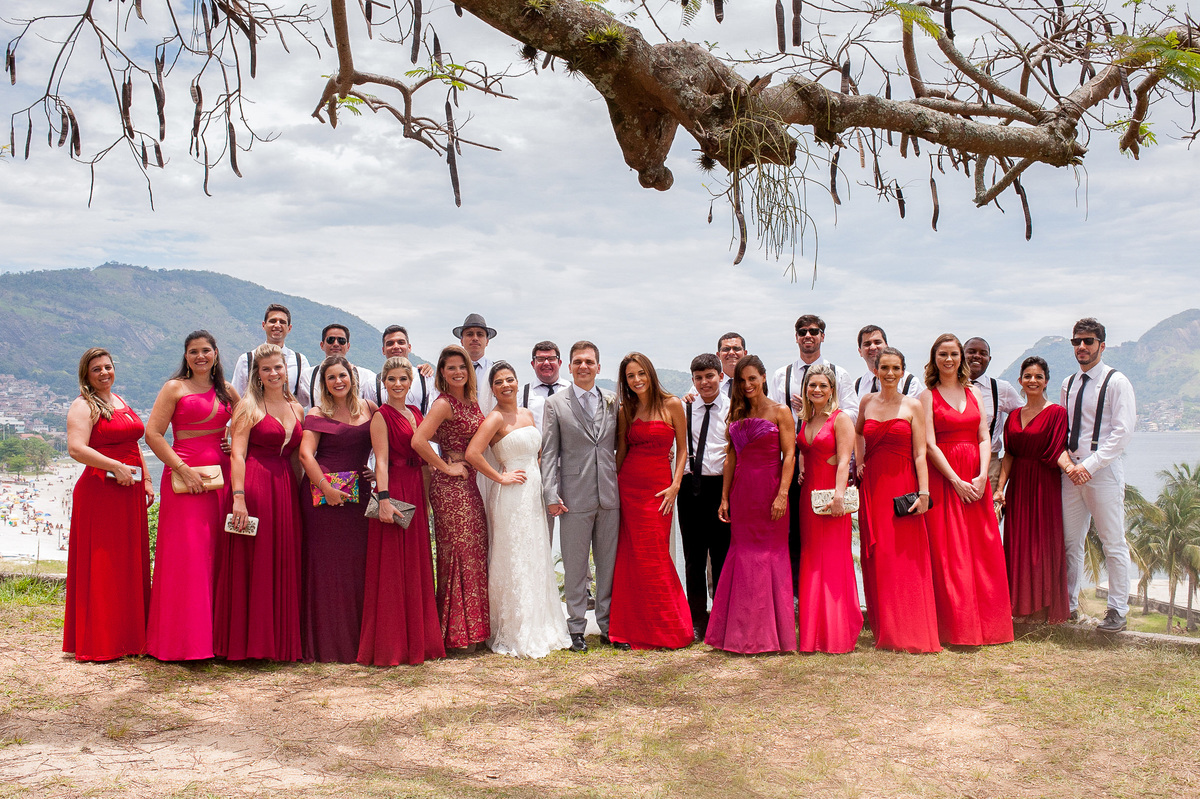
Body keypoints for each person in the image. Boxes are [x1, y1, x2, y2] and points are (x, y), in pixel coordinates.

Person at [143, 331, 239, 661]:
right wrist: (182, 469)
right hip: (184, 477)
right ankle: (180, 643)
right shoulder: (174, 388)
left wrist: (232, 443)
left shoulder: (228, 391)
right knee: (187, 558)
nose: (200, 356)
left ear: (216, 353)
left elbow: (248, 425)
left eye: (206, 350)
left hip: (222, 479)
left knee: (219, 554)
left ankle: (216, 642)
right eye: (193, 351)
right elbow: (152, 434)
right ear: (185, 356)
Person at [466, 362, 571, 658]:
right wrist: (500, 476)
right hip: (510, 495)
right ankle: (515, 627)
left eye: (509, 379)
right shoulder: (494, 418)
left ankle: (541, 623)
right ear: (493, 388)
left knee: (536, 552)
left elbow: (537, 453)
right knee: (513, 556)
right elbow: (473, 453)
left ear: (516, 381)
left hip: (533, 492)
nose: (505, 385)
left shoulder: (526, 413)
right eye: (498, 382)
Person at [920, 333, 1014, 647]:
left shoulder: (973, 392)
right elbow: (929, 444)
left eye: (954, 354)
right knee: (951, 551)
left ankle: (990, 627)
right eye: (942, 354)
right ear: (935, 359)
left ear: (961, 358)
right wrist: (954, 480)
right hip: (945, 476)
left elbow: (985, 437)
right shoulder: (926, 396)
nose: (949, 360)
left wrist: (982, 475)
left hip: (977, 476)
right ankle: (957, 629)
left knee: (983, 550)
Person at [215, 344, 306, 661]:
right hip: (252, 485)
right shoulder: (248, 407)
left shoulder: (297, 409)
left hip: (284, 488)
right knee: (253, 563)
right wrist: (238, 497)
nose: (273, 373)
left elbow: (298, 458)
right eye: (266, 369)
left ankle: (276, 643)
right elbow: (237, 454)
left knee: (280, 560)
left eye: (278, 367)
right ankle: (248, 644)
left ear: (286, 370)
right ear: (257, 373)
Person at [64, 348, 153, 662]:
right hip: (100, 491)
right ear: (86, 376)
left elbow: (133, 443)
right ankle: (102, 641)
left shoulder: (121, 401)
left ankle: (131, 637)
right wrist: (115, 466)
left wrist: (148, 480)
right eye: (96, 369)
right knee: (104, 565)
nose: (104, 373)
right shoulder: (83, 405)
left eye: (108, 367)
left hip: (128, 489)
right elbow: (76, 449)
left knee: (129, 561)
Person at [357, 357, 444, 666]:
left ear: (410, 383)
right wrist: (383, 499)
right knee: (393, 565)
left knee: (417, 563)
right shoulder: (381, 416)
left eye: (402, 379)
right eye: (391, 379)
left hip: (415, 489)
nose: (397, 384)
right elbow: (379, 460)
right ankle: (391, 644)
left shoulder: (417, 413)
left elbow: (425, 454)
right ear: (384, 382)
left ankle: (419, 641)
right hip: (394, 488)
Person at [707, 355, 797, 654]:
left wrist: (783, 494)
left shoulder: (780, 411)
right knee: (743, 556)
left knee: (769, 555)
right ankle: (739, 632)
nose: (747, 385)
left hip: (770, 491)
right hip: (742, 493)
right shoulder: (736, 412)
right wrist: (724, 496)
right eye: (742, 380)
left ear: (763, 377)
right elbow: (731, 457)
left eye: (752, 379)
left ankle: (770, 635)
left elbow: (790, 456)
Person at [855, 347, 941, 653]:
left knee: (904, 557)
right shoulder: (866, 401)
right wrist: (860, 460)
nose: (890, 373)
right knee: (878, 558)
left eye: (896, 368)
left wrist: (925, 493)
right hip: (873, 487)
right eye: (884, 368)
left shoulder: (913, 405)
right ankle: (885, 627)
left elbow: (921, 452)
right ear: (876, 370)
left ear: (903, 372)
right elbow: (858, 433)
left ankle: (909, 628)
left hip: (903, 487)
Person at [607, 352, 692, 650]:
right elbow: (620, 452)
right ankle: (630, 628)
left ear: (650, 374)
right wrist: (611, 488)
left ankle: (669, 627)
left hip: (659, 491)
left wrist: (675, 485)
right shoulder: (626, 409)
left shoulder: (672, 404)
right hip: (628, 488)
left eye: (641, 373)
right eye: (631, 376)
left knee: (654, 555)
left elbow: (683, 450)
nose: (637, 380)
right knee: (631, 557)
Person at [540, 341, 620, 652]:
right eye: (578, 362)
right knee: (575, 566)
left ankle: (608, 625)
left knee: (608, 565)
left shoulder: (613, 401)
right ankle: (575, 628)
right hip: (573, 496)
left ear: (599, 367)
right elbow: (549, 453)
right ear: (570, 367)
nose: (583, 366)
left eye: (589, 361)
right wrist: (550, 492)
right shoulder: (556, 404)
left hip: (610, 495)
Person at [297, 356, 377, 663]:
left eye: (342, 375)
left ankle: (359, 640)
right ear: (324, 384)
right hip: (323, 499)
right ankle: (327, 644)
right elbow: (306, 455)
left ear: (352, 377)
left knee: (357, 566)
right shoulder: (317, 413)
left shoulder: (370, 409)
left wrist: (375, 472)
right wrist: (325, 488)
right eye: (331, 378)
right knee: (327, 568)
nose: (338, 381)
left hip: (358, 497)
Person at [412, 345, 490, 652]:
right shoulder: (443, 403)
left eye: (462, 367)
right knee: (456, 553)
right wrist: (445, 464)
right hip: (450, 485)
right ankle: (455, 635)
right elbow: (418, 439)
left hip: (470, 481)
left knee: (474, 551)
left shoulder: (470, 400)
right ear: (442, 373)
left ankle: (477, 631)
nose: (457, 372)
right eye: (450, 368)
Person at [1060, 318, 1136, 632]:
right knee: (1070, 542)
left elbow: (1122, 433)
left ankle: (1117, 610)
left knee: (1113, 541)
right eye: (1077, 341)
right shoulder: (1068, 383)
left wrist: (1088, 466)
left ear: (1101, 346)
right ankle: (1069, 605)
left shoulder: (1117, 382)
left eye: (1088, 341)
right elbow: (1064, 429)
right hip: (1070, 474)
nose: (1082, 347)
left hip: (1101, 472)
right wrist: (1070, 467)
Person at [770, 315, 854, 595]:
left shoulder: (839, 373)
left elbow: (851, 414)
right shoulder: (781, 375)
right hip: (795, 463)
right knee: (794, 534)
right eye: (802, 331)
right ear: (796, 336)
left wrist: (824, 410)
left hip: (828, 465)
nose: (808, 336)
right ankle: (797, 595)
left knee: (827, 543)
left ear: (822, 336)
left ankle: (828, 599)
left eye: (814, 331)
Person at [994, 356, 1070, 625]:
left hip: (1044, 483)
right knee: (1017, 542)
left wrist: (1072, 469)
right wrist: (1000, 489)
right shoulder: (1012, 415)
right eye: (1028, 376)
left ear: (1046, 381)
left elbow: (1056, 450)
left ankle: (1043, 606)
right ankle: (1019, 605)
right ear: (1020, 382)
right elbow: (1009, 455)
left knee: (1041, 545)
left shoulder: (1057, 412)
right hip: (1018, 484)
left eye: (1038, 376)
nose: (1033, 381)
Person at [795, 364, 862, 654]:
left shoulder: (840, 419)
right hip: (808, 498)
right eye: (812, 386)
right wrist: (800, 470)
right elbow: (804, 452)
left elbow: (845, 460)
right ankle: (812, 633)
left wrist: (838, 496)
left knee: (834, 559)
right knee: (811, 559)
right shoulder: (806, 420)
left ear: (832, 389)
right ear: (806, 390)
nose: (817, 390)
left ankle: (836, 631)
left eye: (823, 385)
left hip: (831, 498)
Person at [677, 353, 732, 640]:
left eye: (710, 376)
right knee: (693, 557)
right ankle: (697, 618)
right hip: (690, 487)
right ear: (693, 381)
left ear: (721, 377)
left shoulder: (733, 408)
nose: (704, 382)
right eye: (698, 378)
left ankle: (722, 617)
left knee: (722, 555)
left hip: (721, 487)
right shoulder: (685, 407)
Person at [964, 337, 1023, 491]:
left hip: (990, 465)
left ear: (989, 359)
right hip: (956, 462)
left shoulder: (1001, 389)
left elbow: (1025, 415)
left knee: (988, 513)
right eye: (971, 352)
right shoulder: (947, 388)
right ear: (961, 355)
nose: (977, 356)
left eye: (982, 353)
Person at [231, 304, 311, 407]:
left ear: (289, 328)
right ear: (263, 325)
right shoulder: (247, 360)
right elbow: (236, 398)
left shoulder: (299, 361)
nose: (277, 325)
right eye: (273, 321)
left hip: (288, 419)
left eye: (282, 322)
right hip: (255, 419)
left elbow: (305, 400)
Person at [304, 324, 376, 407]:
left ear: (348, 346)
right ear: (322, 345)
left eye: (341, 340)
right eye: (330, 340)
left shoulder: (366, 376)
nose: (336, 344)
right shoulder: (307, 375)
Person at [375, 325, 436, 414]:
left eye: (401, 342)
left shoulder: (425, 378)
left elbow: (432, 414)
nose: (396, 346)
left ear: (409, 347)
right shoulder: (374, 383)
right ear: (383, 350)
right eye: (390, 343)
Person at [854, 325, 921, 403]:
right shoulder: (856, 386)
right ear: (860, 351)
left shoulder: (911, 383)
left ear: (887, 346)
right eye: (867, 344)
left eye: (877, 342)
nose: (872, 347)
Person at [520, 340, 571, 432]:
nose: (546, 363)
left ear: (559, 363)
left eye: (551, 358)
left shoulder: (572, 390)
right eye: (540, 359)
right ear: (533, 364)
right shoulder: (521, 394)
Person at [454, 313, 500, 414]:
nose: (475, 338)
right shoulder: (451, 371)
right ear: (461, 341)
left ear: (487, 341)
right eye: (470, 334)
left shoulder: (496, 371)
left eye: (480, 334)